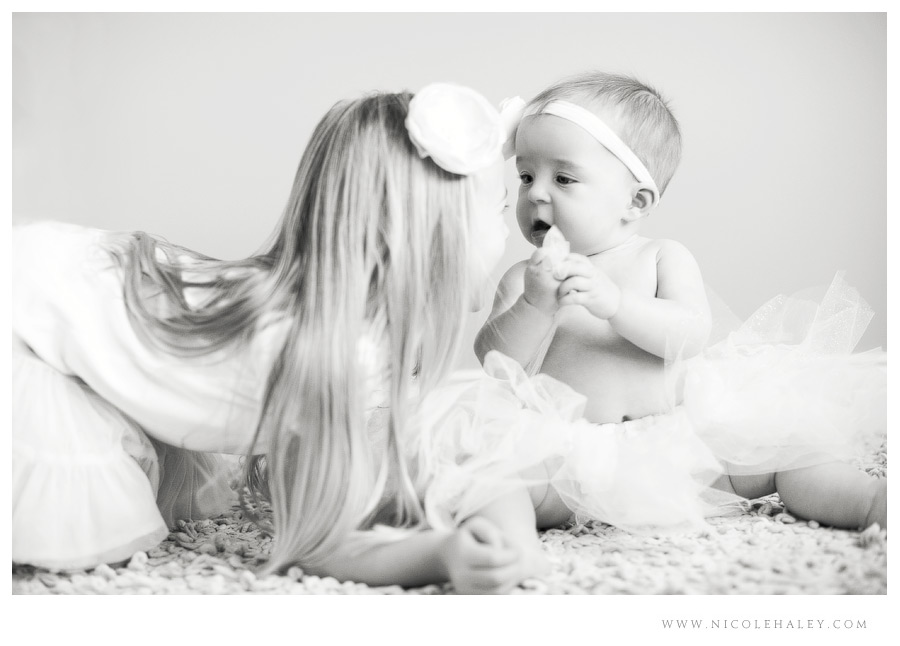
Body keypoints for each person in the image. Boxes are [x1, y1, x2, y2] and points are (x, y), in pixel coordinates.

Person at [12, 82, 550, 593]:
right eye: (499, 211)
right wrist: (441, 555)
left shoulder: (353, 337)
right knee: (76, 521)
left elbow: (456, 467)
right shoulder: (333, 356)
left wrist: (510, 537)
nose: (508, 233)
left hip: (52, 280)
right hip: (17, 313)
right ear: (432, 241)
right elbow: (319, 546)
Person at [469, 71, 887, 535]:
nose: (536, 193)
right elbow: (495, 361)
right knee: (498, 483)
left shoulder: (659, 256)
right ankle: (500, 545)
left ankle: (871, 503)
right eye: (526, 176)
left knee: (788, 452)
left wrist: (615, 305)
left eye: (563, 178)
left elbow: (689, 334)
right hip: (570, 462)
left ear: (636, 201)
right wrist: (533, 306)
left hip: (678, 443)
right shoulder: (523, 279)